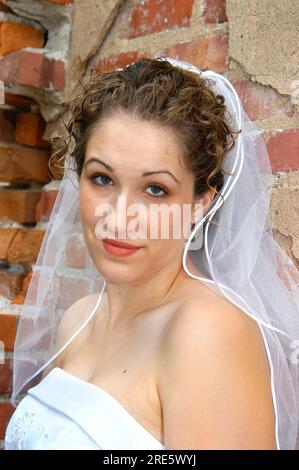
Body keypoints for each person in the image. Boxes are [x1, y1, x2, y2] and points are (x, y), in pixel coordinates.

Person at [4, 57, 299, 450]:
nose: (119, 216)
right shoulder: (78, 321)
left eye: (155, 189)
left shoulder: (206, 332)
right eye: (102, 179)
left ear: (200, 202)